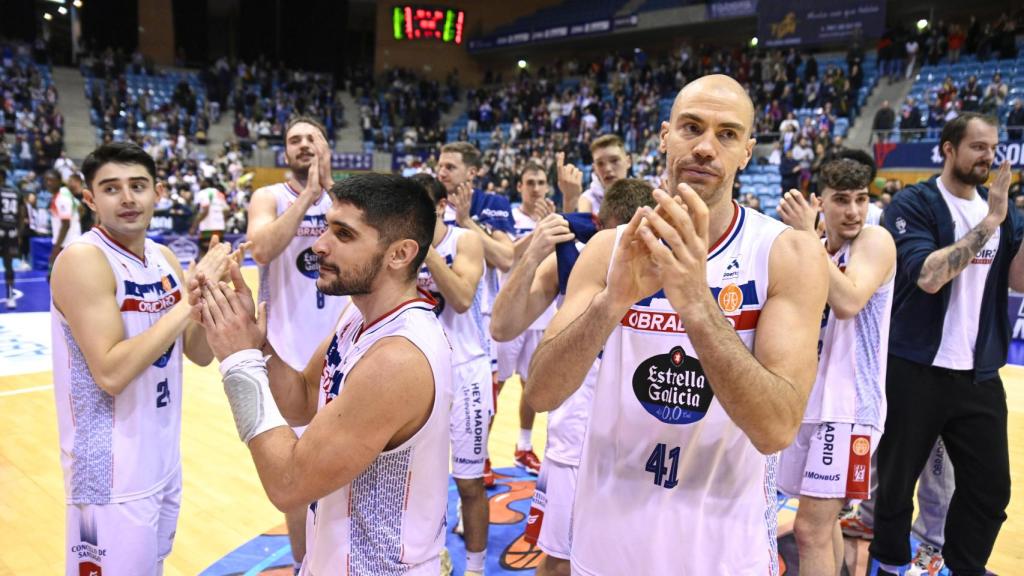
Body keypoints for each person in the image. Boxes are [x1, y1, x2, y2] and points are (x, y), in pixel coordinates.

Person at [526, 74, 829, 574]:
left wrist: (696, 302)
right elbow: (540, 394)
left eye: (727, 134)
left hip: (722, 553)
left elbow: (776, 427)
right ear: (665, 137)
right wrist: (611, 302)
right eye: (692, 127)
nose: (706, 147)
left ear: (747, 151)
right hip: (607, 549)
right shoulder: (609, 248)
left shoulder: (786, 254)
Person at [195, 173, 452, 575]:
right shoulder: (357, 314)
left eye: (344, 234)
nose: (319, 245)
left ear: (400, 253)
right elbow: (301, 400)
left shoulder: (398, 358)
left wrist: (238, 362)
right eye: (327, 228)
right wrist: (257, 344)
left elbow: (288, 482)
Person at [51, 142, 233, 575]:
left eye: (138, 186)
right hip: (109, 472)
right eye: (112, 188)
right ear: (90, 198)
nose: (128, 198)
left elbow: (198, 352)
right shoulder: (83, 259)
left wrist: (214, 300)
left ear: (158, 193)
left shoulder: (164, 257)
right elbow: (111, 372)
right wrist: (189, 301)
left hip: (162, 457)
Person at [870, 112, 1022, 576]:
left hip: (977, 375)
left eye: (992, 147)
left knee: (990, 489)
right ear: (949, 149)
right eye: (977, 146)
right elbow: (930, 276)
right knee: (895, 489)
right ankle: (889, 564)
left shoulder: (1002, 211)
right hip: (915, 368)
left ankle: (963, 565)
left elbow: (1017, 281)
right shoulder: (913, 204)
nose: (988, 157)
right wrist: (992, 220)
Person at [492, 178, 654, 576]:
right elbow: (502, 326)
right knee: (560, 558)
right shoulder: (574, 262)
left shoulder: (670, 265)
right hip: (576, 433)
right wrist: (532, 254)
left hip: (640, 436)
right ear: (601, 229)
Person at [775, 158, 897, 575]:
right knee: (822, 529)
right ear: (820, 201)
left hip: (850, 409)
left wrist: (806, 239)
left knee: (808, 528)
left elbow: (848, 302)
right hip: (809, 402)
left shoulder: (874, 241)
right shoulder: (818, 248)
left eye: (861, 200)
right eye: (841, 200)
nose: (854, 211)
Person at [245, 115, 350, 572]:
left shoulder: (347, 200)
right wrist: (308, 196)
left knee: (351, 466)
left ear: (326, 145)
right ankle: (305, 564)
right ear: (285, 151)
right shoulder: (268, 196)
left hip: (343, 348)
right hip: (285, 353)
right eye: (294, 140)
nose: (303, 145)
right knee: (297, 474)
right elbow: (262, 249)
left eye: (312, 137)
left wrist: (328, 196)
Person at [412, 173, 491, 576]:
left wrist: (425, 254)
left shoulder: (464, 240)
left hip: (465, 373)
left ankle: (475, 569)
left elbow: (460, 298)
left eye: (419, 207)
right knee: (418, 483)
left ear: (440, 206)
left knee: (469, 482)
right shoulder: (401, 246)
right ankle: (427, 561)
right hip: (420, 373)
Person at [436, 141, 514, 482]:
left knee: (481, 400)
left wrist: (468, 222)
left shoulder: (492, 204)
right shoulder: (429, 202)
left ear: (472, 172)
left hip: (478, 322)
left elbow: (505, 257)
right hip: (436, 317)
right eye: (440, 165)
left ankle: (476, 459)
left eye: (450, 167)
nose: (441, 172)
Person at [496, 163, 557, 476]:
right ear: (519, 186)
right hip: (509, 314)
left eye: (541, 182)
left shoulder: (555, 218)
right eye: (530, 182)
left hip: (542, 313)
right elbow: (506, 256)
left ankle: (523, 447)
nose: (536, 188)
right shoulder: (507, 217)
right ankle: (482, 457)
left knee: (531, 387)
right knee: (498, 384)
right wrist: (540, 232)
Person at [46, 169, 81, 272]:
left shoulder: (62, 197)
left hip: (67, 244)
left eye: (51, 180)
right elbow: (80, 208)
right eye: (46, 180)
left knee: (56, 277)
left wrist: (56, 248)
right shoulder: (63, 194)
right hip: (66, 243)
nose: (48, 183)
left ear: (59, 181)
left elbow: (66, 223)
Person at [1, 168, 25, 308]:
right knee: (8, 265)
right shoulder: (16, 192)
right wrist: (20, 234)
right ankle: (10, 298)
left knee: (9, 265)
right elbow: (22, 215)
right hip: (11, 232)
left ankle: (10, 296)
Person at [191, 180, 229, 259]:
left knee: (204, 253)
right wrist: (223, 222)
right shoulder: (219, 193)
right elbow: (226, 210)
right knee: (219, 253)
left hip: (207, 228)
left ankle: (203, 271)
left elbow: (205, 209)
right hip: (219, 228)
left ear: (206, 183)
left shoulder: (203, 193)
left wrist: (194, 225)